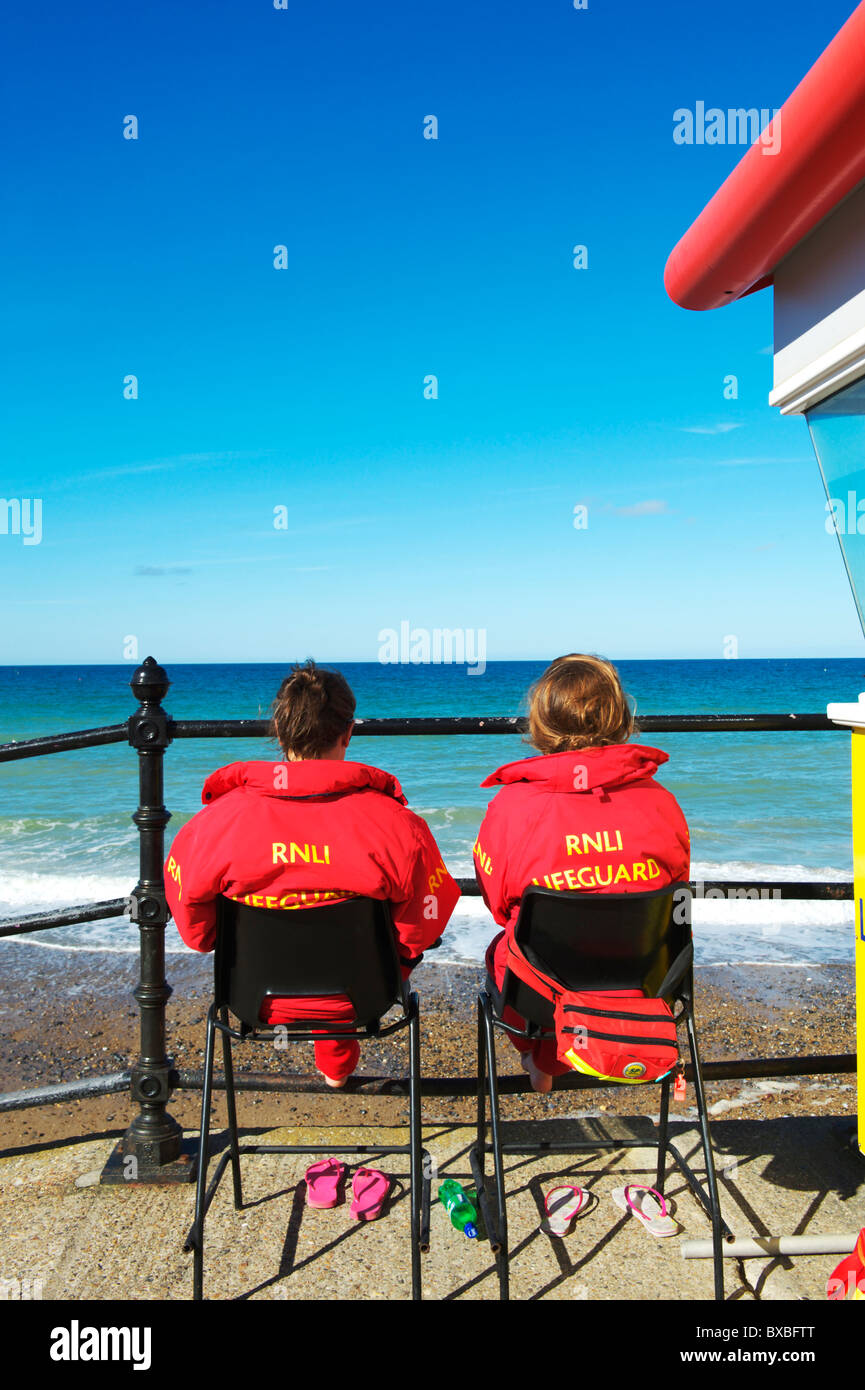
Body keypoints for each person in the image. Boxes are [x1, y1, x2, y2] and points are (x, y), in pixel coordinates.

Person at [165, 660, 460, 1087]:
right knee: (358, 950)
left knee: (313, 944)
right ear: (348, 732)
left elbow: (198, 936)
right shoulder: (397, 824)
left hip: (252, 1001)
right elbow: (423, 927)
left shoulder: (214, 823)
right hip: (362, 997)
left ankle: (333, 1059)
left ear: (280, 734)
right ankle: (336, 1061)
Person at [473, 653, 690, 1092]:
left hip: (541, 988)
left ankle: (546, 1058)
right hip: (643, 980)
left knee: (504, 949)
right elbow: (677, 892)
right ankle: (563, 1056)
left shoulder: (512, 807)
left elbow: (498, 904)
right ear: (622, 717)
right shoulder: (661, 802)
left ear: (539, 721)